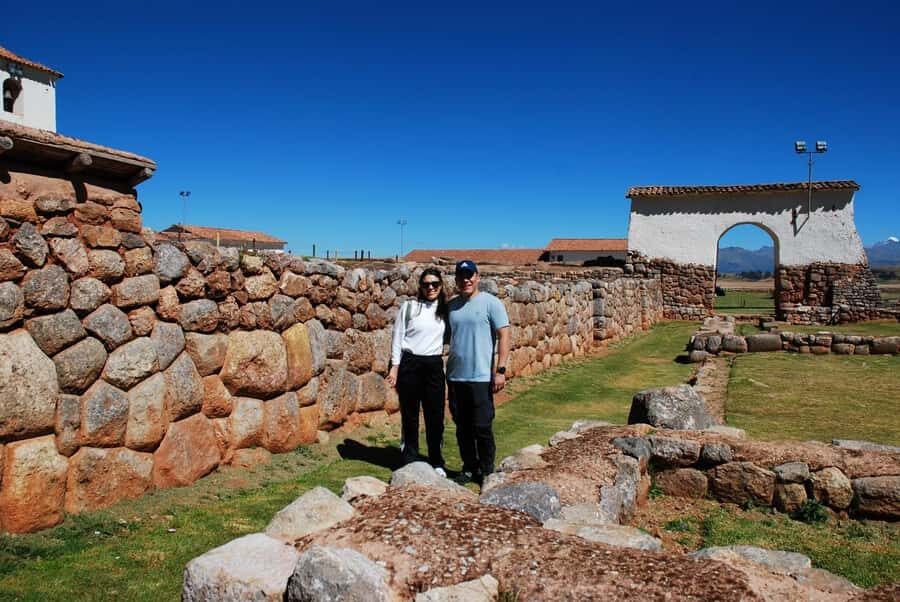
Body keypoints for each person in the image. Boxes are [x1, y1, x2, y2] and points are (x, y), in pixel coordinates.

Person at [446, 259, 510, 485]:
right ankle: (469, 468)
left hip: (481, 377)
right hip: (455, 377)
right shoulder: (451, 307)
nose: (466, 280)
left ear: (477, 277)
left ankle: (486, 470)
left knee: (482, 427)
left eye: (470, 276)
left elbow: (504, 335)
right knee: (462, 428)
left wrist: (501, 370)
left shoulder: (491, 303)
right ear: (456, 280)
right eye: (462, 276)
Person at [387, 267, 449, 475]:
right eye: (426, 284)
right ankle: (410, 458)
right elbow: (398, 337)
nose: (430, 288)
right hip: (410, 364)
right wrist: (395, 367)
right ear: (420, 287)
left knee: (435, 415)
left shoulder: (445, 311)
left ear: (441, 286)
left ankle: (436, 461)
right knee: (410, 414)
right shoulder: (410, 307)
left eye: (435, 284)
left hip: (433, 365)